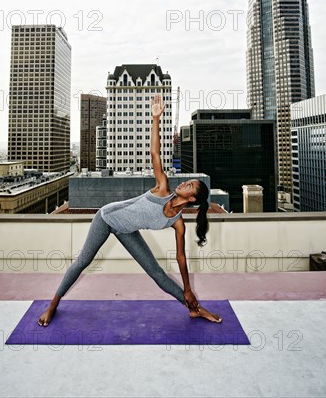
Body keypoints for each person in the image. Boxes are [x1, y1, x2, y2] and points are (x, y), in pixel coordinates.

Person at [37, 93, 222, 326]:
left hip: (127, 230)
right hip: (107, 217)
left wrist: (187, 289)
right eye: (189, 181)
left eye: (190, 185)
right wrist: (155, 118)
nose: (185, 182)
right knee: (83, 261)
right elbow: (155, 154)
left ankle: (194, 308)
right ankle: (52, 305)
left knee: (156, 274)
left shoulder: (178, 223)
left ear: (192, 198)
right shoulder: (163, 187)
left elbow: (181, 258)